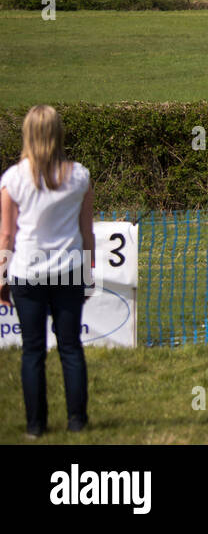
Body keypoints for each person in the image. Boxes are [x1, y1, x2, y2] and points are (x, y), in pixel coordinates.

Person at [0, 105, 93, 438]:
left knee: (32, 350)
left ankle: (35, 426)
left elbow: (7, 235)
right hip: (68, 271)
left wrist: (1, 276)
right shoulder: (79, 175)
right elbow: (87, 231)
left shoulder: (13, 178)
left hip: (28, 272)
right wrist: (87, 272)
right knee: (71, 347)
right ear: (58, 134)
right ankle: (77, 420)